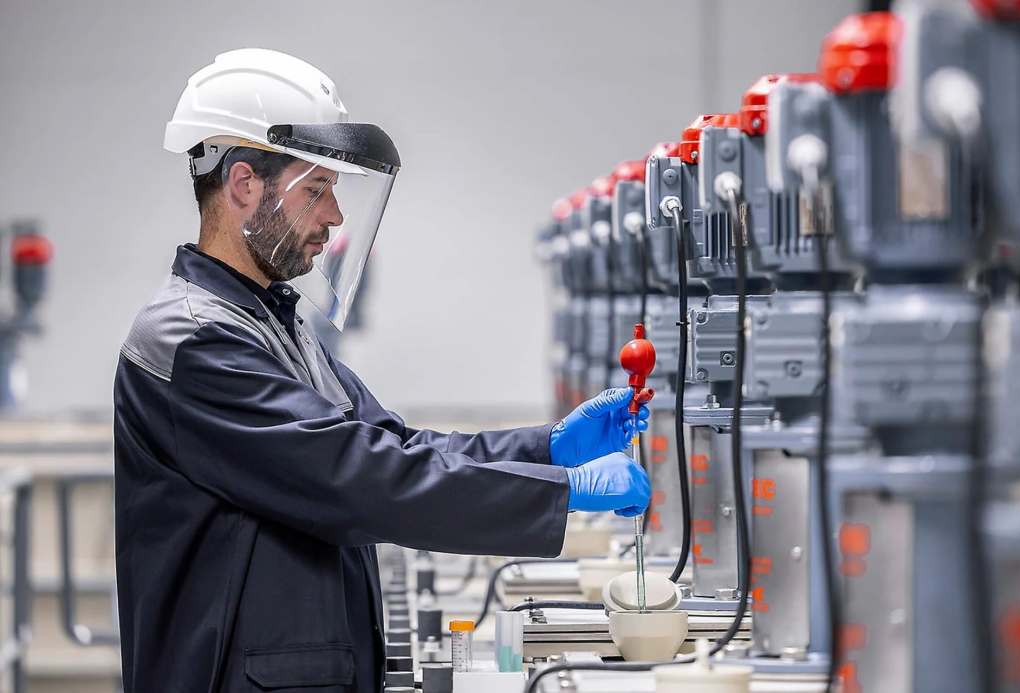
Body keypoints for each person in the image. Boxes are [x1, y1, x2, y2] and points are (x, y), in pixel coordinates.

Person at [113, 48, 651, 693]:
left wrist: (547, 449)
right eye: (316, 189)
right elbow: (360, 478)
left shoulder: (273, 324)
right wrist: (562, 494)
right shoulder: (193, 340)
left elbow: (395, 447)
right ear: (244, 185)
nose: (335, 218)